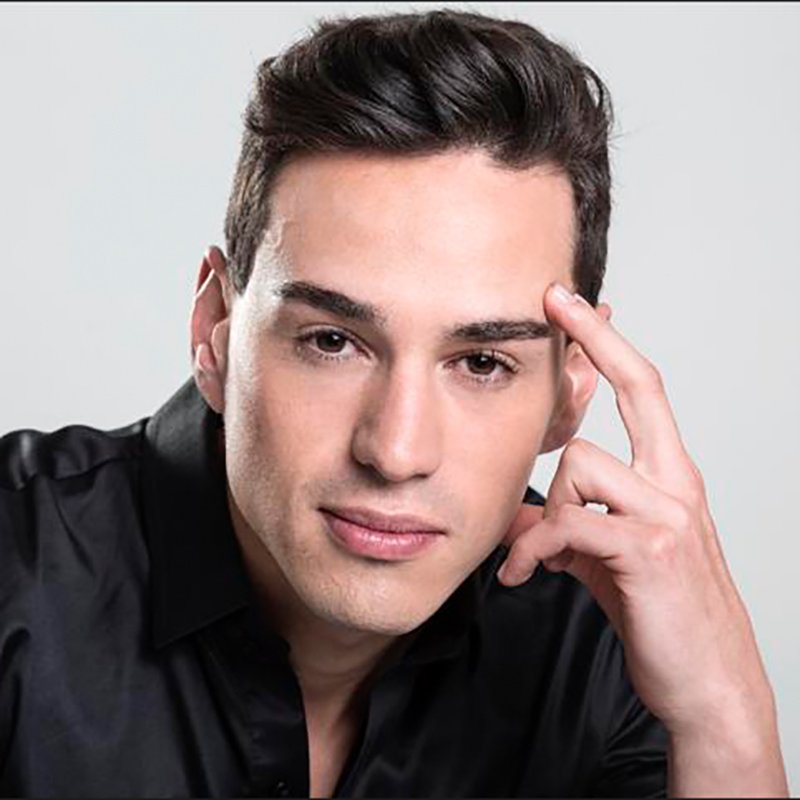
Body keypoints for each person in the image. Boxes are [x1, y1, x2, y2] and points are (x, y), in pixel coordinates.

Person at [0, 8, 789, 798]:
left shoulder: (611, 644)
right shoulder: (16, 566)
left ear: (571, 387)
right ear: (215, 330)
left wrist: (722, 713)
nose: (397, 451)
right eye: (331, 342)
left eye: (482, 362)